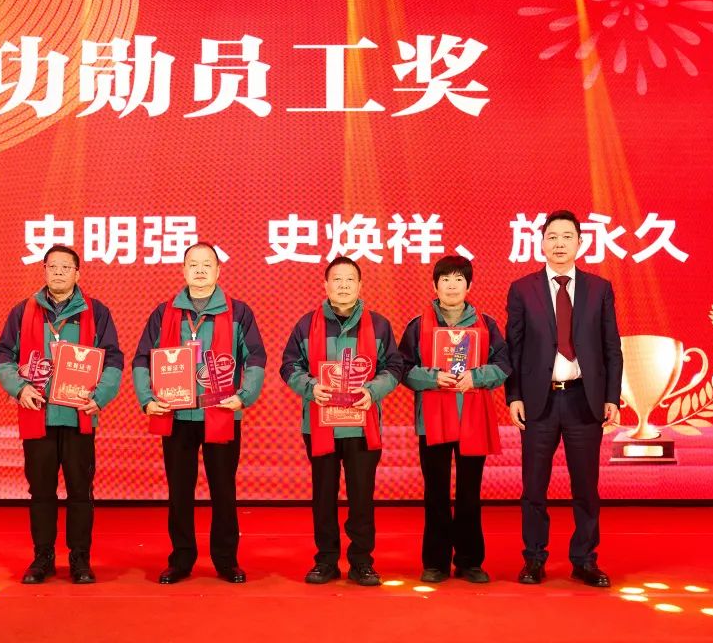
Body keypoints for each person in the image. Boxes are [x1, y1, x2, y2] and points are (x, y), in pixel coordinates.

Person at [132, 242, 266, 584]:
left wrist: (243, 396)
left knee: (224, 490)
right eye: (194, 264)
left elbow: (255, 358)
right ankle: (181, 559)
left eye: (207, 264)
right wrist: (147, 399)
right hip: (176, 414)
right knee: (179, 491)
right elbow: (142, 358)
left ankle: (226, 561)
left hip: (221, 411)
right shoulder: (164, 312)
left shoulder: (238, 312)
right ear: (183, 270)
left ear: (218, 270)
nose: (201, 269)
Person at [0, 245, 124, 584]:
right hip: (38, 414)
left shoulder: (97, 312)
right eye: (53, 266)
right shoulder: (23, 311)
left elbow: (113, 359)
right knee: (41, 492)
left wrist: (100, 397)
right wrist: (19, 388)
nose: (59, 272)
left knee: (81, 491)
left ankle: (80, 559)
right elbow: (3, 355)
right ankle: (43, 558)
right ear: (44, 270)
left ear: (78, 274)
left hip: (79, 415)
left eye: (66, 267)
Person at [504, 210, 622, 588]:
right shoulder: (522, 289)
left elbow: (611, 347)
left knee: (585, 487)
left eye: (567, 237)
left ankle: (585, 560)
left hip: (583, 400)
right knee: (533, 487)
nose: (559, 243)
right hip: (538, 403)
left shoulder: (599, 289)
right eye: (552, 237)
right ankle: (534, 558)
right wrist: (514, 395)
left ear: (580, 243)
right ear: (540, 243)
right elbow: (513, 348)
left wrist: (612, 396)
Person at [280, 256, 402, 587]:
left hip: (362, 425)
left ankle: (362, 561)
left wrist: (373, 391)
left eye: (350, 280)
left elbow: (394, 367)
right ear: (326, 285)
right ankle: (326, 560)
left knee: (362, 497)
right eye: (337, 279)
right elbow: (289, 366)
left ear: (360, 285)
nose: (344, 285)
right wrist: (311, 387)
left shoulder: (379, 325)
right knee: (323, 495)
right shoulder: (307, 324)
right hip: (320, 425)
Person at [398, 255, 511, 584]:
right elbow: (402, 368)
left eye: (458, 279)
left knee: (469, 492)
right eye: (445, 279)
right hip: (432, 419)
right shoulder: (418, 325)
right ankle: (435, 562)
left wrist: (476, 377)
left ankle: (469, 561)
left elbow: (504, 365)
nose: (451, 285)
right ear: (434, 285)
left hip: (472, 416)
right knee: (435, 492)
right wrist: (433, 378)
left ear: (469, 285)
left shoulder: (486, 325)